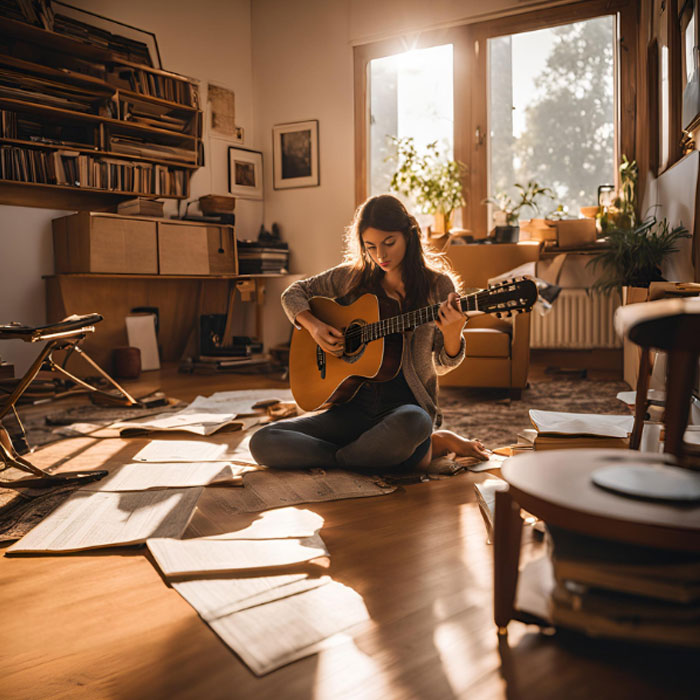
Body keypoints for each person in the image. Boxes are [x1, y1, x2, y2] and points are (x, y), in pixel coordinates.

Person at [249, 194, 490, 472]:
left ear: (409, 235)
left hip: (402, 412)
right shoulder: (352, 277)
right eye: (371, 246)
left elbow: (441, 365)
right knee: (264, 440)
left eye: (389, 243)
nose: (381, 255)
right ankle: (360, 459)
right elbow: (294, 294)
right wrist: (315, 327)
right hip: (350, 412)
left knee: (417, 423)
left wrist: (452, 334)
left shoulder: (438, 286)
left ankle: (354, 457)